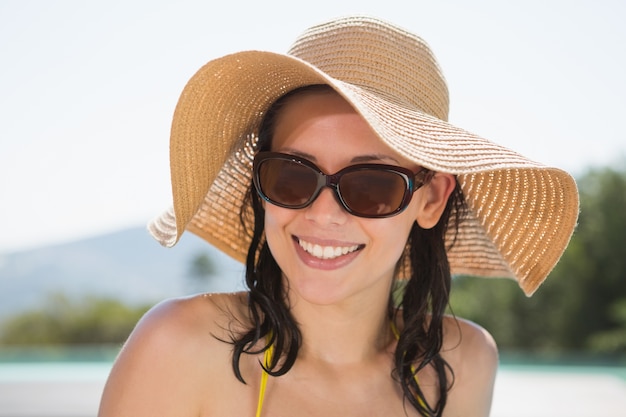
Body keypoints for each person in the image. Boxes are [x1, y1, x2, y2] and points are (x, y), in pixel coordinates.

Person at [98, 15, 579, 417]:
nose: (322, 212)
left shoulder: (464, 363)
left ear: (430, 199)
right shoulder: (179, 347)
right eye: (292, 175)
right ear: (260, 186)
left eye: (372, 185)